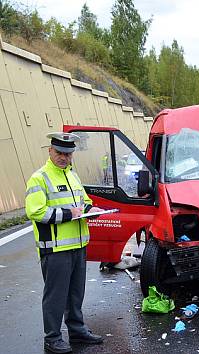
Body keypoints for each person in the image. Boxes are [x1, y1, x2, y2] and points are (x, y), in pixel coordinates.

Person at [25, 132, 105, 353]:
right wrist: (70, 214)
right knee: (56, 296)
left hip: (78, 245)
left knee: (75, 293)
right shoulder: (39, 178)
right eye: (60, 153)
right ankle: (52, 338)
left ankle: (77, 331)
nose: (64, 157)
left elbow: (83, 202)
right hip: (55, 248)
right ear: (50, 151)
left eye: (68, 154)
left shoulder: (72, 175)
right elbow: (37, 212)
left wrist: (91, 210)